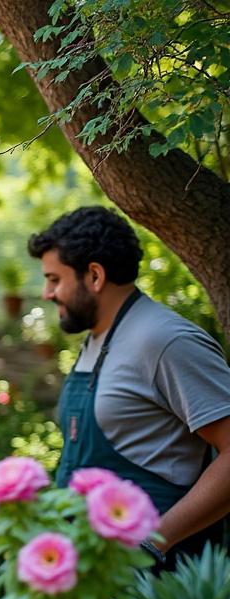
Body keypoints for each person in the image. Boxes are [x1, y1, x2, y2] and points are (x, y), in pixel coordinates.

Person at [29, 206, 230, 568]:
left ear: (94, 275)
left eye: (55, 279)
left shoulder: (164, 341)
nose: (47, 293)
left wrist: (153, 542)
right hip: (96, 575)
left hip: (158, 584)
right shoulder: (97, 339)